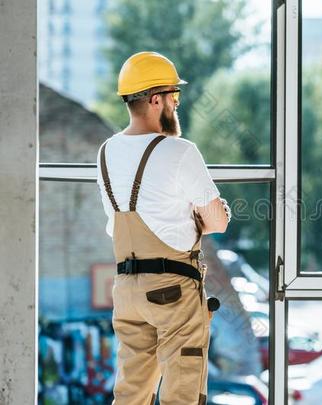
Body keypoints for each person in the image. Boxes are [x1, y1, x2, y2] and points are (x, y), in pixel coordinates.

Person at [95, 51, 230, 405]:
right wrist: (200, 216)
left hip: (126, 290)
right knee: (182, 391)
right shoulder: (179, 151)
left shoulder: (105, 153)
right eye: (175, 97)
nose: (176, 105)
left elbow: (115, 227)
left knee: (130, 392)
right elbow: (218, 221)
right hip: (172, 290)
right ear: (156, 99)